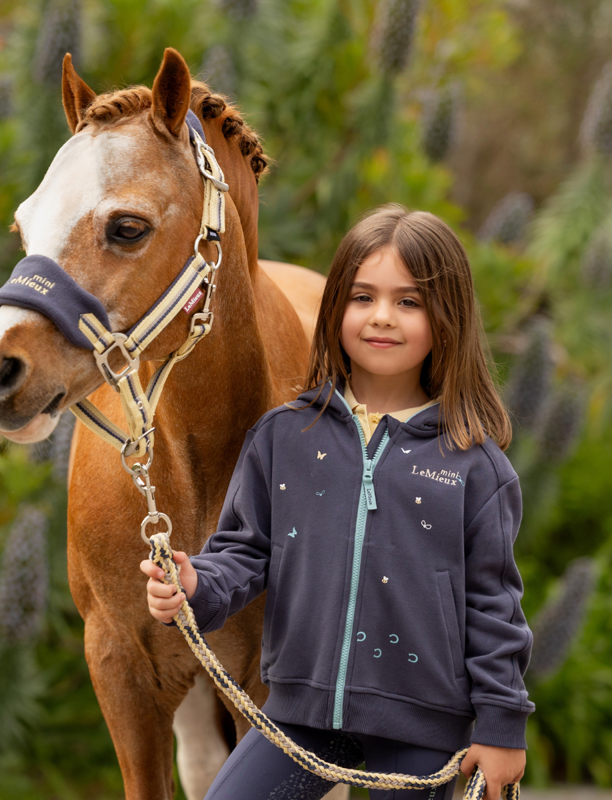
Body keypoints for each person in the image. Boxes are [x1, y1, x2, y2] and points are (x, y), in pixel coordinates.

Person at [140, 204, 534, 800]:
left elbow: (493, 607)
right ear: (335, 310)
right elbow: (244, 552)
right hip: (301, 717)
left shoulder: (476, 467)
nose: (382, 317)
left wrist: (503, 729)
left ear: (446, 317)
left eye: (409, 301)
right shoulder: (284, 436)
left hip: (421, 735)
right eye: (362, 297)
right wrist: (196, 583)